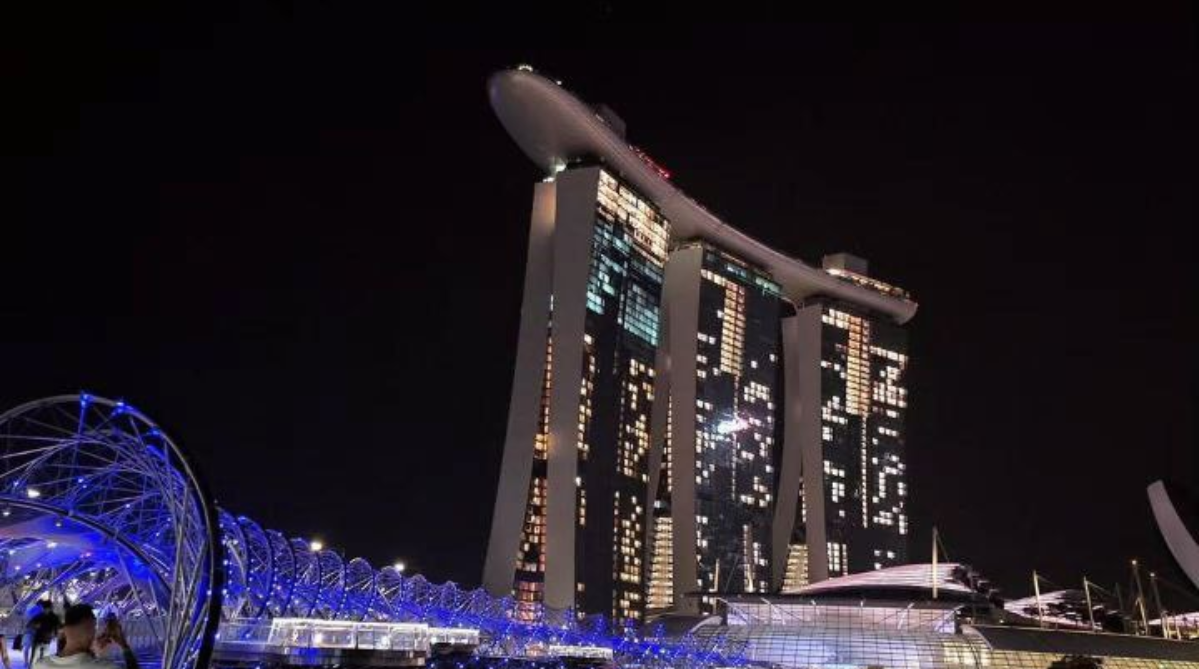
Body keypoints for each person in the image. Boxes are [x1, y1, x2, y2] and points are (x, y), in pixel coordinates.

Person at [31, 605, 137, 669]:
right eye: (94, 626)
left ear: (64, 630)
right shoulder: (105, 667)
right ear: (89, 627)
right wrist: (124, 645)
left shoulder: (40, 665)